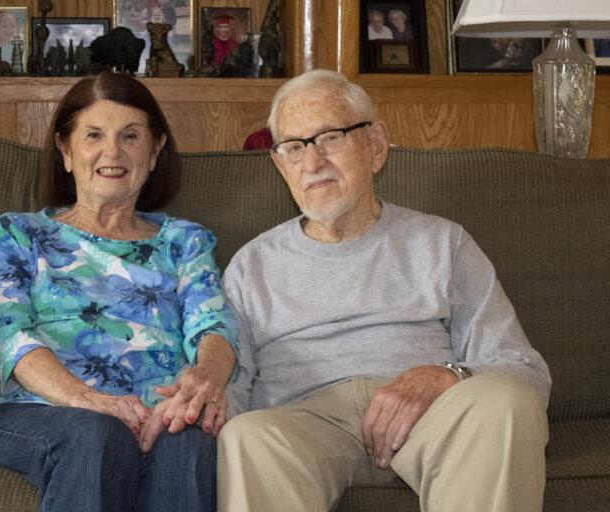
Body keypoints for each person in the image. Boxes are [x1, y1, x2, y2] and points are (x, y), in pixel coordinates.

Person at [217, 69, 551, 512]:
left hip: (433, 418)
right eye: (294, 147)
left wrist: (447, 375)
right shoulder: (251, 265)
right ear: (280, 164)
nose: (312, 163)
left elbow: (523, 369)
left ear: (375, 144)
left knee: (506, 403)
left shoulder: (443, 243)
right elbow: (232, 387)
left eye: (330, 137)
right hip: (304, 425)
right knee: (245, 436)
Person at [0, 72, 238, 512]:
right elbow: (6, 334)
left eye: (130, 135)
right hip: (35, 411)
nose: (113, 151)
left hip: (154, 414)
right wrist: (89, 402)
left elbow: (214, 325)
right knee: (97, 433)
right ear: (66, 151)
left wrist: (203, 381)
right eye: (94, 135)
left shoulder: (185, 242)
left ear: (155, 149)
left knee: (187, 436)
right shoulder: (20, 233)